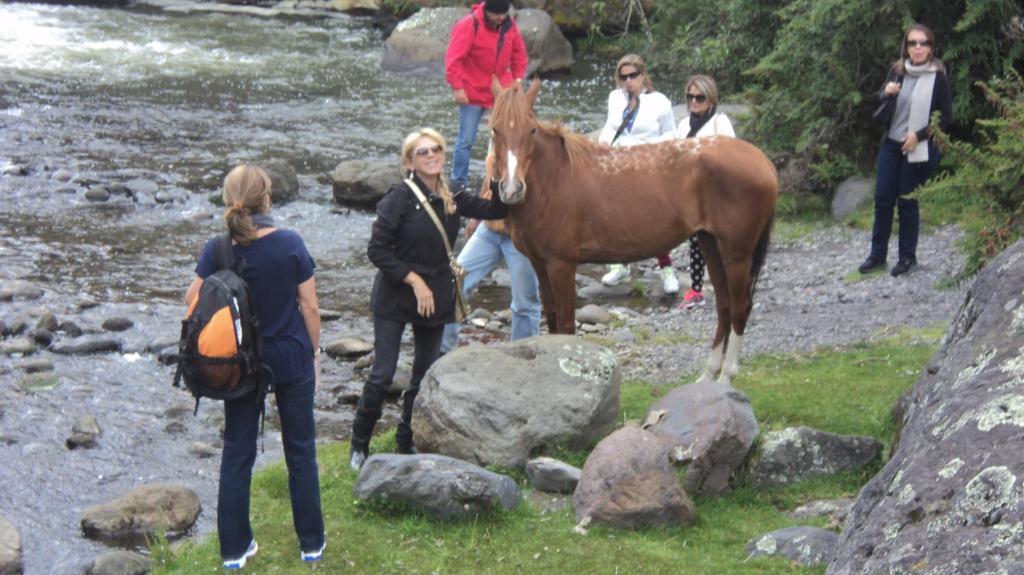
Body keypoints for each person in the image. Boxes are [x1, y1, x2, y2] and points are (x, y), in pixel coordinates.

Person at [185, 165, 325, 569]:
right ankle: (311, 545)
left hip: (240, 361)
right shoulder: (291, 243)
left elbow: (192, 301)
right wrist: (315, 353)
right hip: (291, 355)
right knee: (300, 451)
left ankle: (234, 550)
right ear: (268, 198)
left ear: (229, 200)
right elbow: (310, 307)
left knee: (237, 452)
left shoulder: (218, 247)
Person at [350, 128, 509, 471]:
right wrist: (414, 281)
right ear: (409, 161)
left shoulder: (451, 195)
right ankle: (359, 444)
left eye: (436, 149)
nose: (432, 155)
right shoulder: (399, 197)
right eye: (423, 152)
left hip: (435, 293)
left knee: (423, 374)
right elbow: (376, 249)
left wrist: (496, 168)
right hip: (396, 293)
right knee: (383, 372)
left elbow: (496, 208)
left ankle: (405, 439)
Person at [858, 23, 952, 277]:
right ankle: (877, 256)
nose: (918, 48)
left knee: (907, 202)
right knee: (883, 200)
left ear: (931, 47)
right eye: (913, 43)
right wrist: (885, 92)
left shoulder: (938, 76)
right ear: (906, 47)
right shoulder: (898, 71)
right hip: (891, 143)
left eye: (923, 43)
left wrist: (919, 135)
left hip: (918, 148)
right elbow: (884, 102)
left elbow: (945, 118)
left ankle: (907, 258)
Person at [440, 153, 541, 353]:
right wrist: (476, 217)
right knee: (454, 281)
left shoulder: (533, 151)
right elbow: (491, 180)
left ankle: (523, 355)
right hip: (489, 229)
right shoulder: (495, 147)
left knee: (524, 302)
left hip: (521, 234)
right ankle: (442, 350)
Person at [598, 53, 679, 293]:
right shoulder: (615, 98)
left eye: (633, 75)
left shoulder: (659, 101)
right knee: (614, 214)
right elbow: (610, 127)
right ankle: (620, 265)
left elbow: (670, 133)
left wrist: (650, 151)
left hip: (649, 166)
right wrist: (602, 144)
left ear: (643, 75)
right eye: (623, 77)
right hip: (620, 165)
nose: (628, 81)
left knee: (655, 218)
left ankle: (666, 268)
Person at [445, 0, 527, 191]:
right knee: (466, 140)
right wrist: (457, 88)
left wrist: (518, 81)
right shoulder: (469, 25)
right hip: (472, 92)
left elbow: (519, 56)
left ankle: (497, 178)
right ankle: (458, 182)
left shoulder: (509, 26)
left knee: (505, 138)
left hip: (501, 92)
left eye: (504, 14)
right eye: (496, 14)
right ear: (487, 11)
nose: (501, 18)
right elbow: (453, 59)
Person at [675, 74, 735, 308]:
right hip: (691, 192)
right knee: (696, 241)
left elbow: (731, 156)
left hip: (716, 192)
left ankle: (728, 285)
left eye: (699, 97)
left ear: (710, 100)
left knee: (722, 240)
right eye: (690, 96)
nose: (693, 102)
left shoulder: (721, 122)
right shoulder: (683, 125)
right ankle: (696, 288)